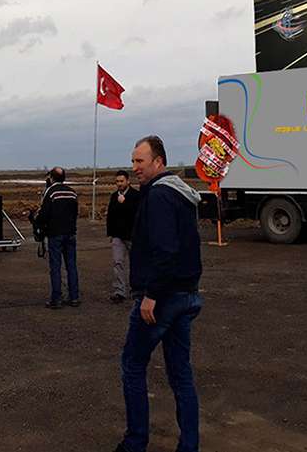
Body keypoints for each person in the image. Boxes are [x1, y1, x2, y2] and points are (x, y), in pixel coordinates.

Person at [117, 135, 204, 452]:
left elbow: (166, 251)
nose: (134, 167)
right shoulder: (182, 194)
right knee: (181, 374)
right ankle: (189, 445)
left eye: (140, 161)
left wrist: (151, 294)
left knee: (132, 365)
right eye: (133, 160)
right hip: (186, 295)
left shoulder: (159, 197)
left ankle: (135, 442)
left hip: (163, 299)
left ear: (159, 161)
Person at [34, 167, 79, 309]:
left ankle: (56, 298)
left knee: (55, 267)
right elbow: (75, 212)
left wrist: (38, 223)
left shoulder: (51, 193)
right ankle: (74, 297)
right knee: (71, 266)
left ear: (51, 178)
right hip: (70, 233)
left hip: (55, 234)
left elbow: (44, 214)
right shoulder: (72, 193)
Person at [107, 170, 141, 303]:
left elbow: (137, 214)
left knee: (135, 264)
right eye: (117, 181)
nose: (119, 184)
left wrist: (124, 203)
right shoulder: (114, 196)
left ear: (128, 181)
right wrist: (111, 233)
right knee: (118, 262)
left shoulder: (136, 196)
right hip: (117, 236)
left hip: (132, 236)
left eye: (121, 181)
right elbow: (111, 215)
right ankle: (119, 291)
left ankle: (136, 290)